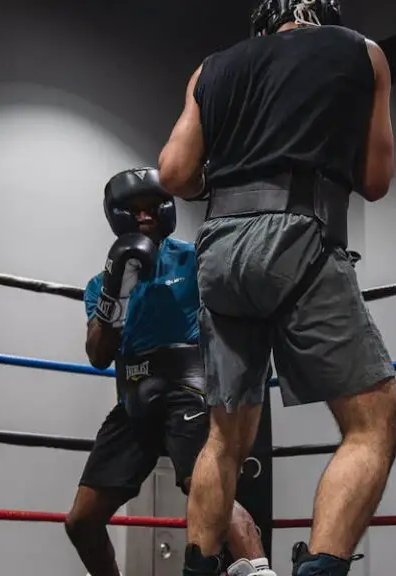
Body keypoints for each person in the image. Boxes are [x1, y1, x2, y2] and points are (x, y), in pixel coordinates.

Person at [156, 1, 396, 575]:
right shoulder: (362, 52)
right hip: (298, 237)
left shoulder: (210, 67)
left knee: (225, 437)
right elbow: (376, 180)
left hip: (216, 251)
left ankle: (198, 570)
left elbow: (172, 173)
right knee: (372, 425)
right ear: (324, 14)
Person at [64, 167, 274, 576]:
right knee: (82, 521)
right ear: (117, 216)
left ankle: (260, 572)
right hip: (133, 401)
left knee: (204, 485)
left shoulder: (196, 259)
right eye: (133, 209)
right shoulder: (100, 282)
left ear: (167, 209)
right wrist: (116, 292)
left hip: (188, 392)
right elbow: (97, 355)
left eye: (151, 206)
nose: (143, 216)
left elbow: (241, 304)